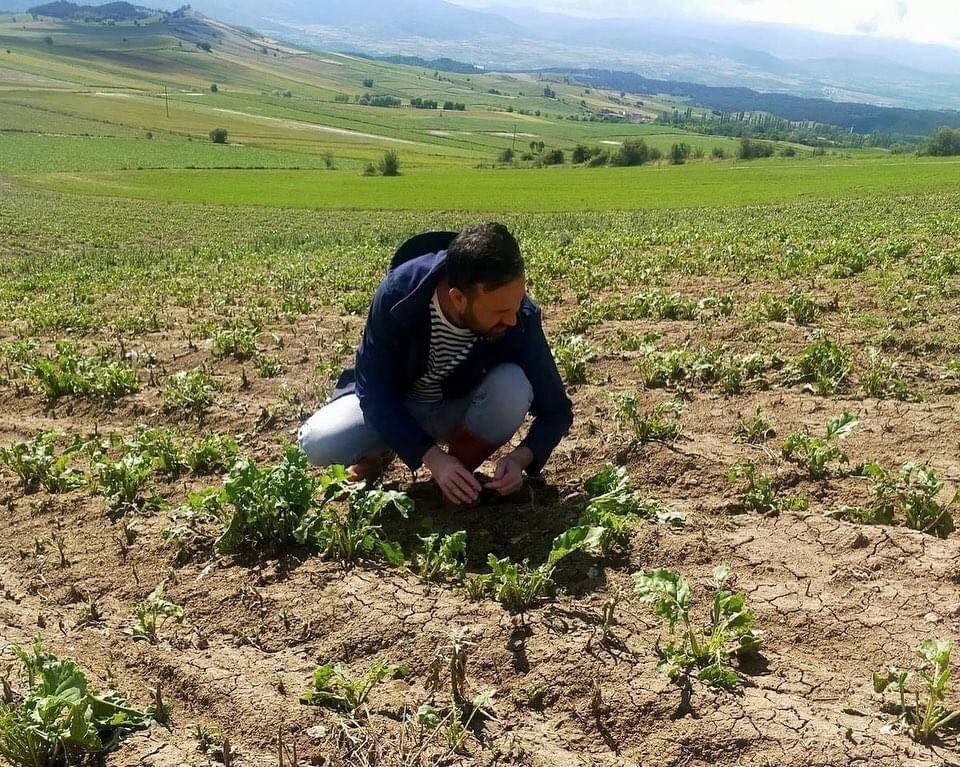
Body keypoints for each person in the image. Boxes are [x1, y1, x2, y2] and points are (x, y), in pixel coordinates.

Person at [297, 221, 572, 505]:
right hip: (401, 406)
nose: (512, 320)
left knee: (513, 386)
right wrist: (432, 457)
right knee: (317, 442)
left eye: (517, 305)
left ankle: (459, 473)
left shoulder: (518, 315)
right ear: (458, 298)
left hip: (457, 411)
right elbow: (373, 390)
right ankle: (383, 453)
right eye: (500, 312)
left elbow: (557, 409)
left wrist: (519, 459)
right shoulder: (399, 294)